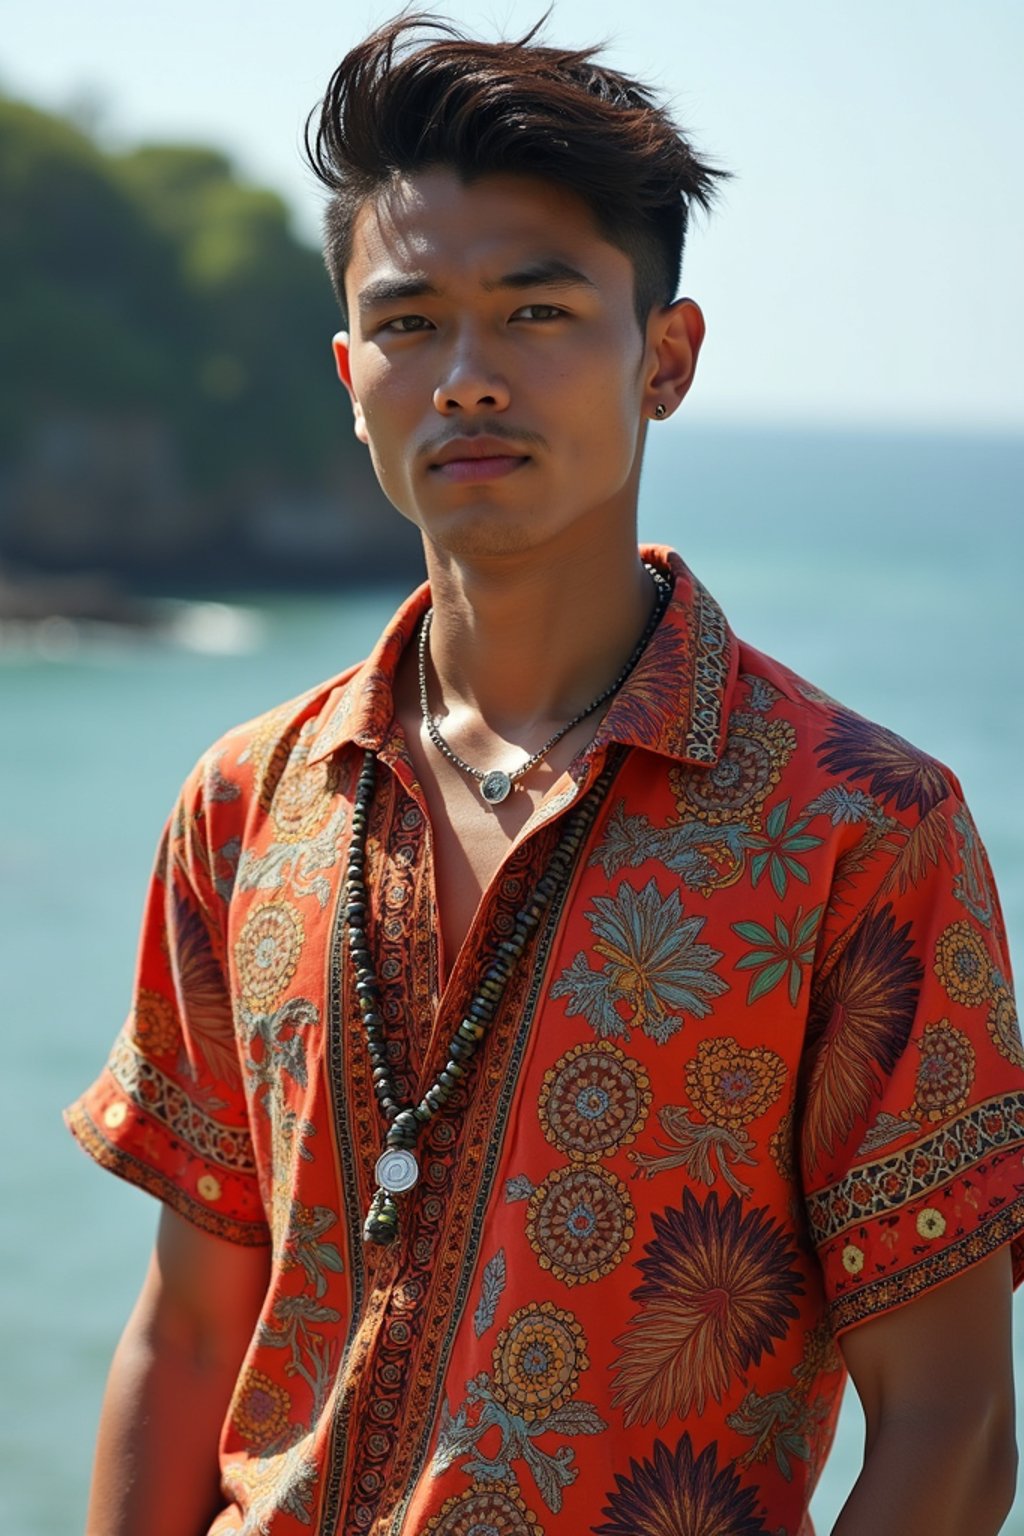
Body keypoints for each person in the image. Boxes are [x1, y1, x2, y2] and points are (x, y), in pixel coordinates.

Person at [66, 16, 1024, 1536]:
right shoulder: (248, 803)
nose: (465, 378)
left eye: (535, 313)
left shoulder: (858, 830)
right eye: (408, 323)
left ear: (669, 357)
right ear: (348, 370)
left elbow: (955, 1423)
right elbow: (188, 1337)